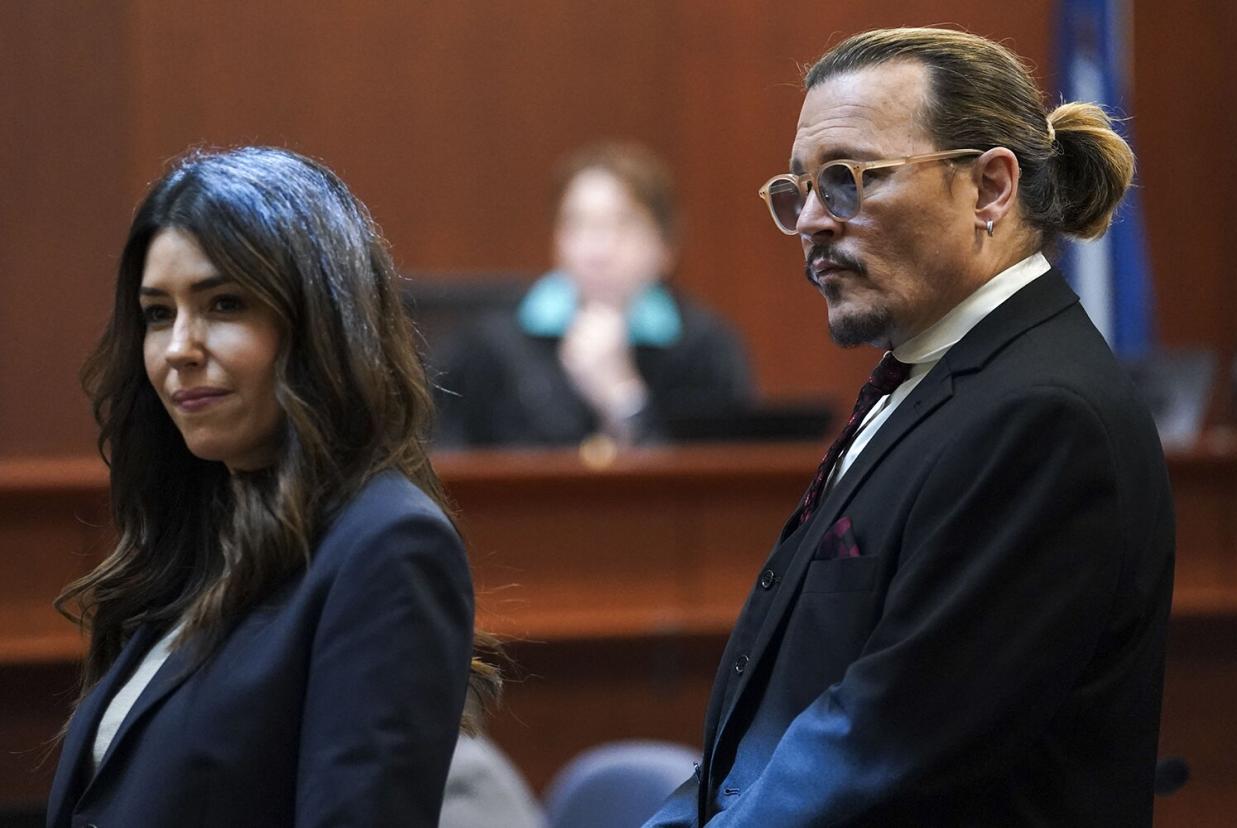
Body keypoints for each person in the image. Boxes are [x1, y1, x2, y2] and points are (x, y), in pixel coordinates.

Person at [646, 27, 1174, 826]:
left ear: (991, 188)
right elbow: (787, 715)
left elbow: (883, 745)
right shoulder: (936, 377)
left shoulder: (1042, 414)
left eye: (850, 181)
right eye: (800, 192)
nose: (813, 222)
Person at [47, 146, 494, 827]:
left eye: (224, 304)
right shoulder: (198, 535)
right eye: (158, 314)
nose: (179, 349)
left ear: (319, 327)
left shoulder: (388, 545)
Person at [434, 141, 752, 448]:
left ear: (666, 245)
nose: (597, 250)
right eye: (577, 224)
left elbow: (713, 486)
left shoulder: (704, 347)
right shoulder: (489, 343)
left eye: (623, 225)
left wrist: (623, 398)